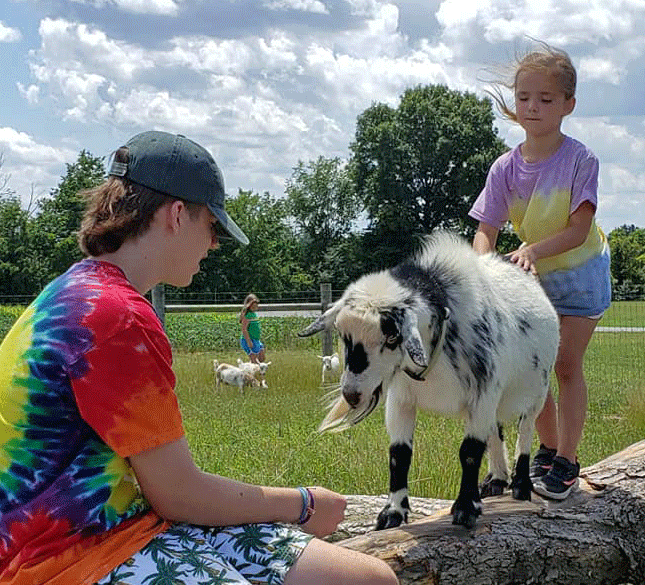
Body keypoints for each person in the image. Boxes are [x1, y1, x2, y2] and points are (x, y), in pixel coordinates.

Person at [0, 130, 398, 585]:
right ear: (175, 215)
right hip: (75, 558)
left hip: (129, 525)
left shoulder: (67, 293)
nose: (213, 245)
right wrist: (304, 503)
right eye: (212, 227)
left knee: (370, 578)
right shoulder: (117, 316)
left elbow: (165, 490)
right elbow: (178, 494)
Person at [469, 43, 611, 500]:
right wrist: (483, 264)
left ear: (569, 105)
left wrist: (530, 247)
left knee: (567, 366)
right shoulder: (503, 168)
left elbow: (578, 228)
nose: (532, 107)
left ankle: (567, 460)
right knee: (535, 373)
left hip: (581, 272)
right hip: (534, 281)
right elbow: (485, 229)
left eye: (546, 99)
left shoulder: (580, 160)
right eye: (524, 96)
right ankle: (547, 448)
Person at [240, 293, 266, 364]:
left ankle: (248, 368)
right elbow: (244, 329)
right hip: (249, 340)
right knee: (255, 362)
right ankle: (252, 373)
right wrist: (249, 341)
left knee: (262, 357)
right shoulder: (247, 315)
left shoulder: (254, 314)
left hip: (256, 339)